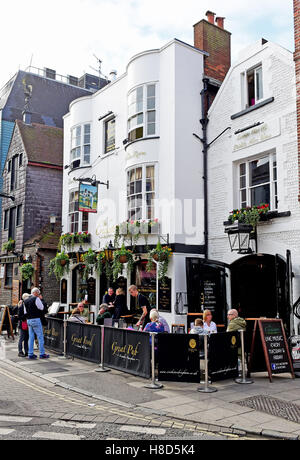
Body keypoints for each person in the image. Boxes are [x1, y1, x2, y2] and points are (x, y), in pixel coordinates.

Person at [23, 287, 49, 360]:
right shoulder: (36, 299)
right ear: (35, 293)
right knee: (40, 337)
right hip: (36, 319)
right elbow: (41, 307)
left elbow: (25, 312)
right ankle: (42, 353)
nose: (38, 295)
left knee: (31, 337)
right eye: (38, 293)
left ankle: (30, 354)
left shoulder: (25, 300)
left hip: (29, 320)